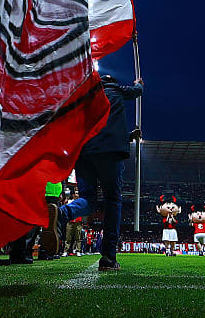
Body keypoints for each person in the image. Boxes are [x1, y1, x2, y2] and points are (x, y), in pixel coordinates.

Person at [57, 74, 143, 271]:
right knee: (113, 201)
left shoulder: (86, 96)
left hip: (84, 153)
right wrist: (139, 84)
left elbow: (98, 128)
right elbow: (137, 92)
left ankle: (62, 213)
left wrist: (128, 136)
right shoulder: (117, 90)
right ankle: (108, 258)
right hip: (110, 154)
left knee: (88, 199)